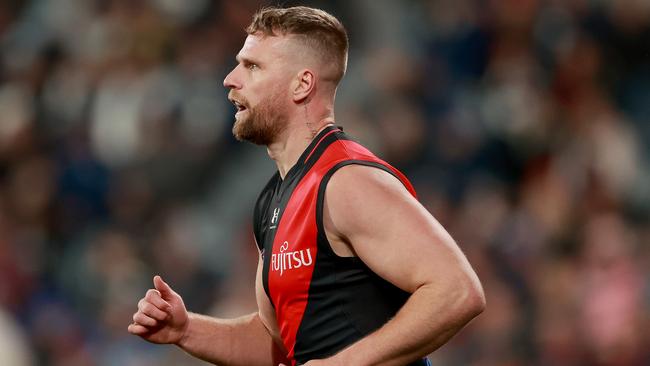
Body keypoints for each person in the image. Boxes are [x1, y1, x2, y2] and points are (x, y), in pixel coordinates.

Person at [128, 6, 485, 366]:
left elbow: (457, 290)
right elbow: (282, 341)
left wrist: (343, 364)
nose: (230, 78)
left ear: (302, 84)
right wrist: (187, 330)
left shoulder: (347, 181)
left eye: (253, 66)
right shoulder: (272, 198)